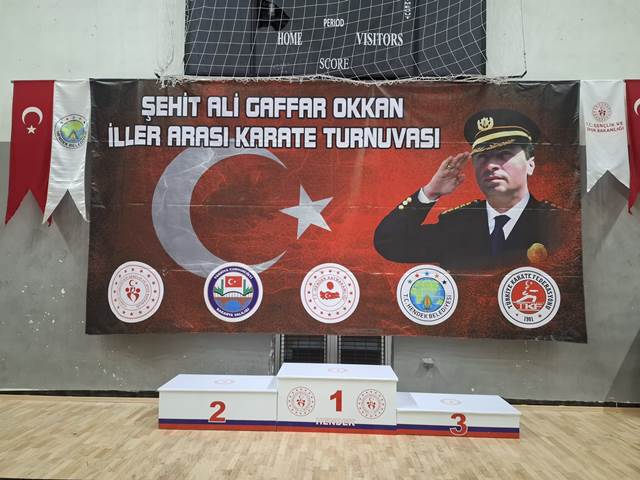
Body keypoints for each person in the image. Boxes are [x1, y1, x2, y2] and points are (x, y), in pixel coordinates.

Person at [373, 109, 562, 271]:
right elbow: (390, 243)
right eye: (483, 157)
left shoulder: (557, 223)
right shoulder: (456, 224)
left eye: (504, 154)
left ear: (530, 165)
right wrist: (430, 193)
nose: (491, 165)